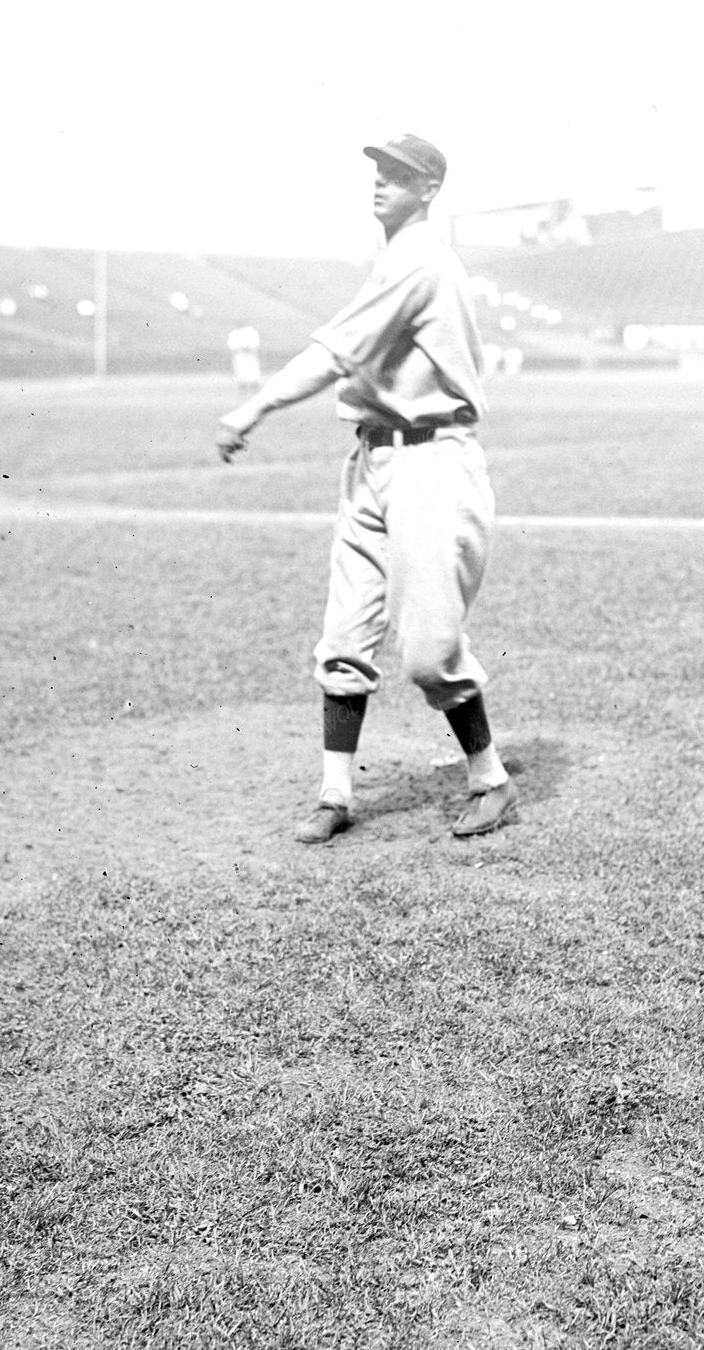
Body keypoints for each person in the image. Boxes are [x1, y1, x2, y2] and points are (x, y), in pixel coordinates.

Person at [215, 133, 518, 845]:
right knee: (345, 633)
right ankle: (336, 792)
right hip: (375, 460)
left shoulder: (420, 263)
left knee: (429, 650)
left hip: (433, 464)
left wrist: (253, 407)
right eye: (379, 171)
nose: (381, 182)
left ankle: (491, 778)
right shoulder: (396, 259)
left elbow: (332, 354)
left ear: (430, 191)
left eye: (400, 174)